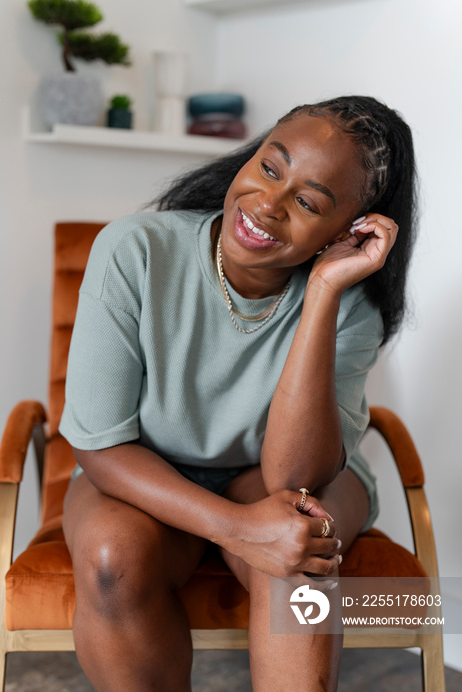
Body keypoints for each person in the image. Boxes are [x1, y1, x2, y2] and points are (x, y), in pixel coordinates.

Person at [60, 95, 417, 691]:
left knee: (305, 550)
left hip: (291, 475)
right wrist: (239, 528)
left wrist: (324, 292)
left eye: (308, 202)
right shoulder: (134, 250)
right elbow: (102, 448)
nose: (267, 205)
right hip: (146, 470)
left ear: (347, 229)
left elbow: (292, 479)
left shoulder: (353, 303)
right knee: (109, 559)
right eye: (270, 167)